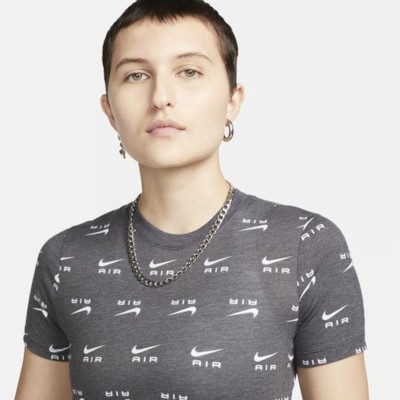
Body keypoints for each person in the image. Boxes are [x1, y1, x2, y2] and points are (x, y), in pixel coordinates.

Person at [15, 0, 369, 398]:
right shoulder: (66, 257)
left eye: (189, 71)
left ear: (233, 100)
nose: (161, 97)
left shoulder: (305, 245)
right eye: (136, 75)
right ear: (110, 111)